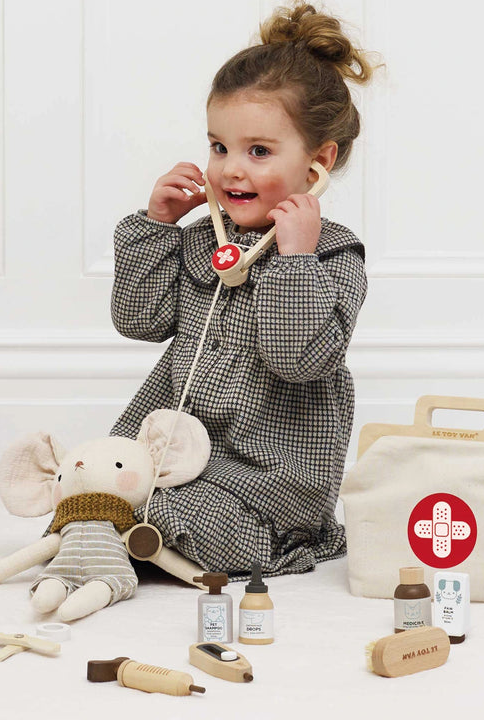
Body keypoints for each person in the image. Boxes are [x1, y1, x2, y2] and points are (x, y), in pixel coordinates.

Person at [110, 2, 375, 578]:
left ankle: (261, 541)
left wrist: (293, 261)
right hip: (179, 447)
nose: (231, 170)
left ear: (316, 165)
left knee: (186, 515)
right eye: (218, 146)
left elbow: (298, 360)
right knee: (103, 489)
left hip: (270, 472)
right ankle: (120, 532)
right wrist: (156, 227)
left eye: (258, 151)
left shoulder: (331, 253)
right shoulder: (202, 236)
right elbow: (139, 320)